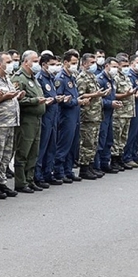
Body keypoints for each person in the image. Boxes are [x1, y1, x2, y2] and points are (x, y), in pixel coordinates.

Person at [11, 50, 48, 193]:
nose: (37, 64)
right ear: (26, 62)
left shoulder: (33, 78)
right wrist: (35, 101)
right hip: (26, 120)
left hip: (37, 119)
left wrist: (43, 101)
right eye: (35, 61)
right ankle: (20, 182)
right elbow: (17, 100)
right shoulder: (19, 78)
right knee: (23, 151)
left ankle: (30, 179)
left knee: (34, 151)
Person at [0, 52, 21, 198]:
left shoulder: (6, 78)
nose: (11, 64)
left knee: (6, 156)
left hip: (10, 122)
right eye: (8, 62)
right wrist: (4, 98)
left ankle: (1, 182)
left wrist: (16, 96)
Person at [53, 50, 83, 183]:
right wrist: (77, 101)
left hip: (75, 115)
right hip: (66, 116)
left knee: (73, 144)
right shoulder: (60, 78)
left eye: (76, 63)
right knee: (64, 144)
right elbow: (61, 99)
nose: (75, 66)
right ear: (65, 63)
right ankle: (59, 170)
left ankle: (68, 169)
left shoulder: (72, 77)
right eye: (73, 63)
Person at [77, 54, 107, 179]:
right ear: (84, 64)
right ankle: (84, 168)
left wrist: (101, 94)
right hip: (87, 116)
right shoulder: (82, 78)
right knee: (87, 143)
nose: (94, 64)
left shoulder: (92, 76)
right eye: (91, 62)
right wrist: (96, 94)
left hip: (96, 115)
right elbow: (80, 95)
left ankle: (90, 166)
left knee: (94, 142)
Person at [34, 53, 63, 187]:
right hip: (46, 115)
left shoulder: (51, 77)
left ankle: (48, 173)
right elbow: (41, 97)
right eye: (52, 64)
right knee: (43, 146)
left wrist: (58, 98)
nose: (54, 67)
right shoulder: (40, 78)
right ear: (44, 64)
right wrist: (51, 100)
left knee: (52, 146)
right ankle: (37, 175)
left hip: (54, 115)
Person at [96, 58, 121, 174]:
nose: (116, 69)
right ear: (107, 66)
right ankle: (97, 164)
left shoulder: (112, 80)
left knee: (109, 139)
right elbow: (97, 99)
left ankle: (105, 163)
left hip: (110, 112)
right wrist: (110, 103)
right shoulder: (100, 80)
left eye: (117, 67)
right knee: (101, 138)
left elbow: (112, 95)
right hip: (102, 113)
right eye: (114, 66)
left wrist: (115, 102)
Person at [122, 55, 138, 168]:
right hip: (133, 107)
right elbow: (130, 92)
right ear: (132, 63)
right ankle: (127, 156)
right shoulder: (129, 75)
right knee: (131, 133)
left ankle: (134, 154)